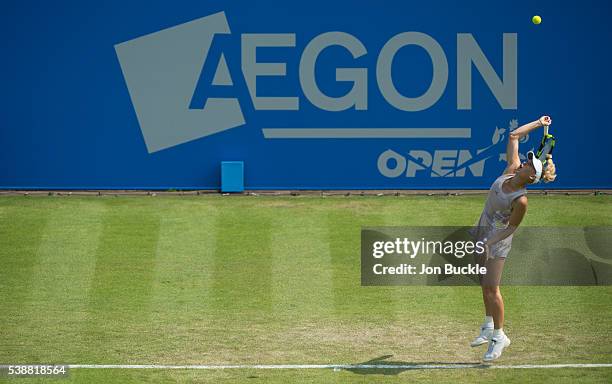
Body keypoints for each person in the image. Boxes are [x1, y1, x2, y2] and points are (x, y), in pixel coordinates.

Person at [469, 115, 557, 362]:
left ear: (532, 177)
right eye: (527, 160)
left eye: (529, 165)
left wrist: (488, 243)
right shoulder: (510, 170)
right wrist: (539, 123)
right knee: (482, 282)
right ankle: (488, 325)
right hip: (482, 230)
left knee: (492, 288)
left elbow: (510, 228)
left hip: (498, 240)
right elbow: (513, 136)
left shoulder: (521, 200)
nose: (524, 163)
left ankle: (499, 336)